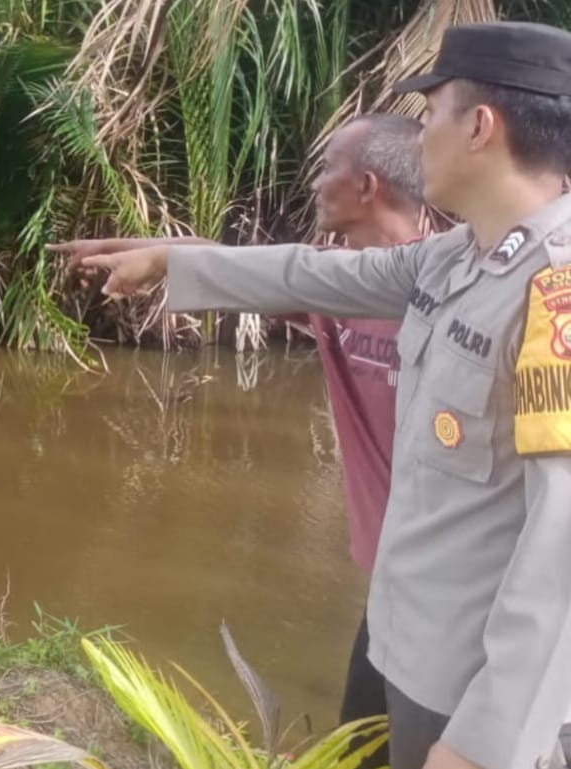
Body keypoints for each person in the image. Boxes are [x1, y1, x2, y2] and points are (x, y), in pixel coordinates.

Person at [52, 21, 571, 769]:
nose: (419, 137)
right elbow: (312, 274)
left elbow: (558, 551)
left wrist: (484, 743)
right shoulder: (457, 258)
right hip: (410, 651)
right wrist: (170, 259)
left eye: (432, 115)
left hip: (479, 697)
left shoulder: (555, 294)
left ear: (480, 127)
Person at [61, 113, 426, 763]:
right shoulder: (332, 280)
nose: (314, 181)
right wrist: (139, 249)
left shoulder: (454, 287)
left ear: (367, 185)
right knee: (360, 744)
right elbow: (253, 269)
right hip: (395, 578)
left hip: (460, 575)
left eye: (326, 168)